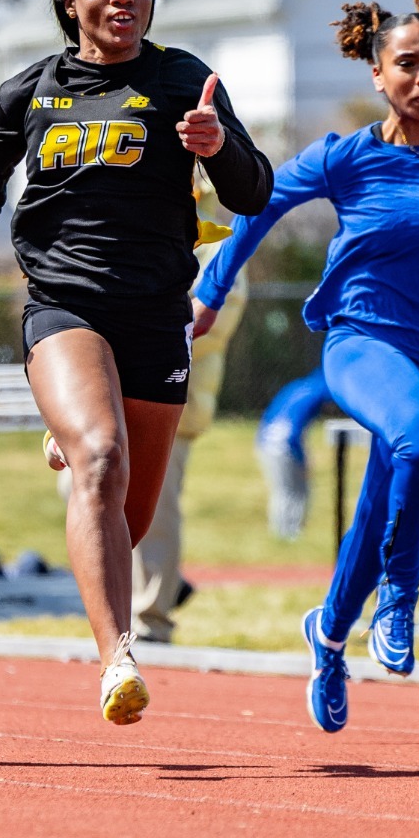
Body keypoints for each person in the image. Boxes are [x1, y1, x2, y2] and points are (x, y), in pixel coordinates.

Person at [0, 0, 273, 724]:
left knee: (125, 516)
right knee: (100, 457)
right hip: (65, 304)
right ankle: (115, 656)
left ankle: (76, 432)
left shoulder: (183, 81)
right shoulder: (32, 90)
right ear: (70, 1)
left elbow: (255, 191)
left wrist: (217, 143)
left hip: (157, 313)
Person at [194, 0, 419, 734]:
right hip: (361, 342)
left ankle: (331, 634)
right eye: (407, 63)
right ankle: (401, 597)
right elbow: (261, 205)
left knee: (379, 510)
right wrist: (210, 293)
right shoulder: (347, 156)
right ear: (378, 73)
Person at [129, 179, 248, 643]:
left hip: (178, 387)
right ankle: (166, 584)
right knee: (80, 481)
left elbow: (223, 303)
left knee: (154, 502)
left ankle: (152, 618)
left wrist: (155, 328)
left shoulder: (217, 214)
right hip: (127, 373)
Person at [256, 368, 332, 540]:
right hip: (283, 444)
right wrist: (301, 458)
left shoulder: (298, 386)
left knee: (282, 490)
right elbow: (292, 429)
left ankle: (281, 533)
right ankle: (289, 534)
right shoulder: (316, 394)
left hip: (265, 440)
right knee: (295, 491)